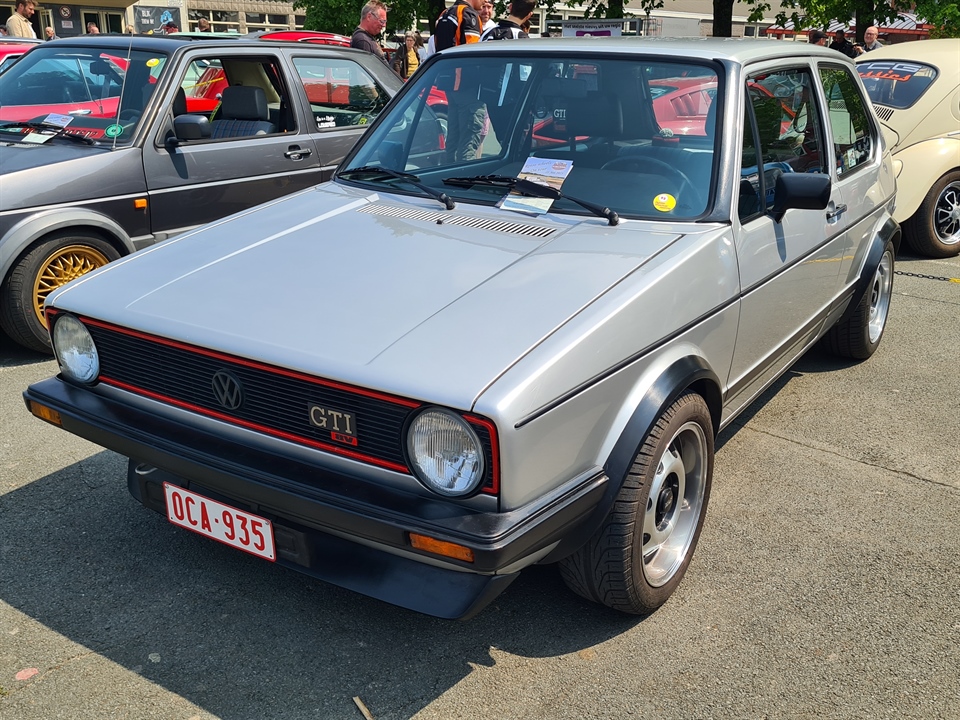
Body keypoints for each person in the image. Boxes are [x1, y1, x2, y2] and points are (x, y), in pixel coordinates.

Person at [350, 1, 390, 68]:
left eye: (385, 22)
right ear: (369, 16)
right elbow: (365, 72)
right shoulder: (363, 40)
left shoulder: (366, 38)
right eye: (382, 21)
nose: (384, 25)